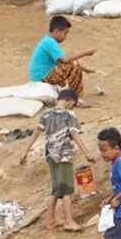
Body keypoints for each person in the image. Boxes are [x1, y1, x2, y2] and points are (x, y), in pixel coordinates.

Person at [18, 88, 96, 231]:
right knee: (66, 189)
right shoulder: (69, 116)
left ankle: (50, 221)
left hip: (50, 156)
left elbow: (36, 134)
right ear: (70, 102)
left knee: (55, 189)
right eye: (73, 104)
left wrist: (25, 151)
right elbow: (75, 135)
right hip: (63, 155)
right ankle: (68, 221)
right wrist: (87, 153)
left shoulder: (46, 114)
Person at [29, 16, 97, 100]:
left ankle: (73, 96)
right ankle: (75, 98)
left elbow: (63, 61)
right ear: (56, 31)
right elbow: (66, 60)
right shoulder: (49, 42)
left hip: (41, 75)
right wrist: (85, 53)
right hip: (41, 77)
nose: (65, 37)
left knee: (72, 63)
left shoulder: (48, 41)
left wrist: (85, 70)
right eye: (65, 33)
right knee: (73, 63)